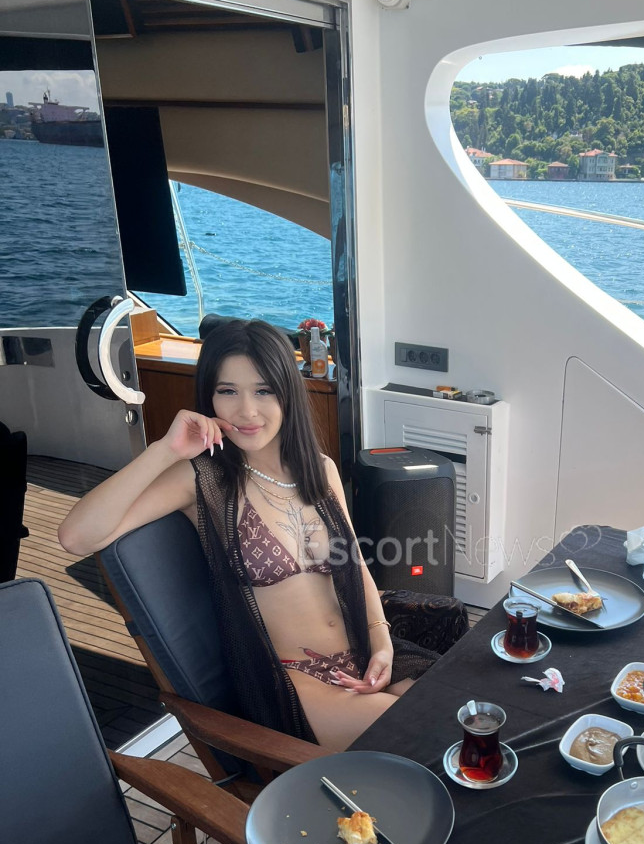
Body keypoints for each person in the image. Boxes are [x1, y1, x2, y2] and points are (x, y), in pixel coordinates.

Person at [59, 319, 436, 751]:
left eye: (263, 390)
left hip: (363, 651)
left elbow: (357, 568)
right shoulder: (203, 480)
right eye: (227, 391)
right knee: (425, 737)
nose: (246, 411)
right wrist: (165, 449)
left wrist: (382, 643)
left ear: (287, 393)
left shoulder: (320, 470)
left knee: (460, 710)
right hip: (294, 683)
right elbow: (76, 537)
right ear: (208, 396)